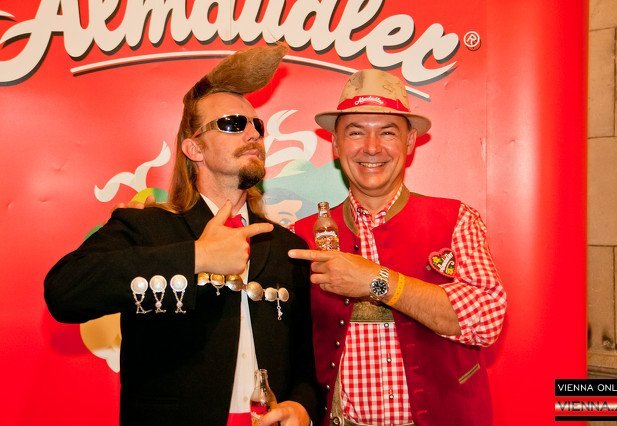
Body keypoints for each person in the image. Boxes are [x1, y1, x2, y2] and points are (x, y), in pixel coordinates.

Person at [44, 45, 320, 426]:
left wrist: (302, 409)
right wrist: (196, 257)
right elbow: (64, 291)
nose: (252, 134)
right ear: (194, 148)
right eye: (232, 123)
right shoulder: (147, 227)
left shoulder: (288, 248)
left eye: (257, 126)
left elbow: (307, 369)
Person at [289, 69, 507, 425]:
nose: (372, 147)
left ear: (410, 142)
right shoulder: (301, 236)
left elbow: (487, 319)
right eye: (355, 132)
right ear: (335, 144)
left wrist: (378, 281)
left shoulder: (456, 218)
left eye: (387, 132)